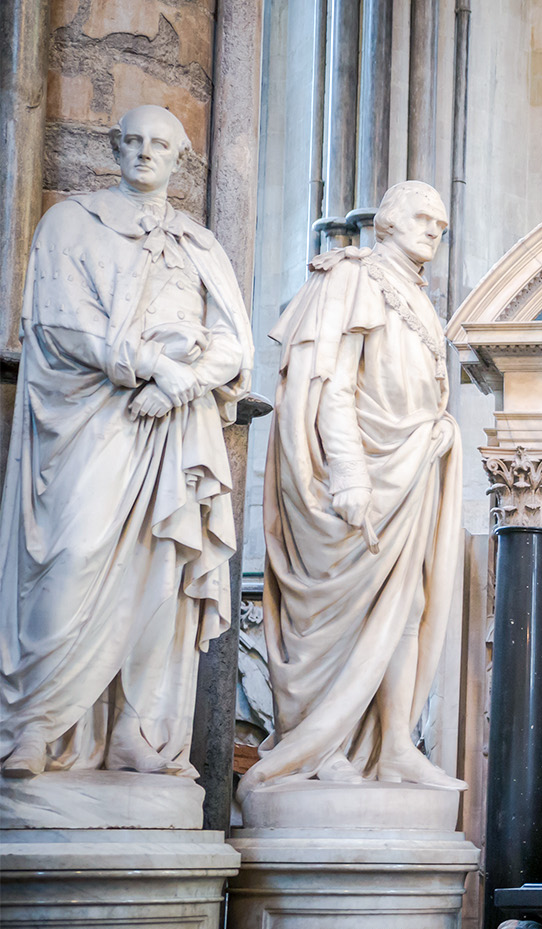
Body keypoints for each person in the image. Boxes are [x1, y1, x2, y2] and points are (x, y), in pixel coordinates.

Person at [0, 105, 252, 778]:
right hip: (92, 419)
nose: (145, 153)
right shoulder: (70, 224)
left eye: (160, 145)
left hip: (172, 425)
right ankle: (36, 725)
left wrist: (178, 384)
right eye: (134, 141)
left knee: (161, 571)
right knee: (74, 553)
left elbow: (234, 343)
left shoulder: (198, 244)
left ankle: (137, 730)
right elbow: (59, 324)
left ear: (179, 160)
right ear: (115, 146)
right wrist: (152, 365)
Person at [240, 181, 462, 796]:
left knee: (407, 605)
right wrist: (347, 474)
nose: (433, 231)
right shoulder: (353, 278)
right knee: (336, 614)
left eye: (441, 225)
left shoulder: (417, 294)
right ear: (386, 222)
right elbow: (330, 384)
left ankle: (393, 748)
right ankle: (319, 745)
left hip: (410, 465)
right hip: (361, 475)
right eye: (422, 217)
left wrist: (437, 431)